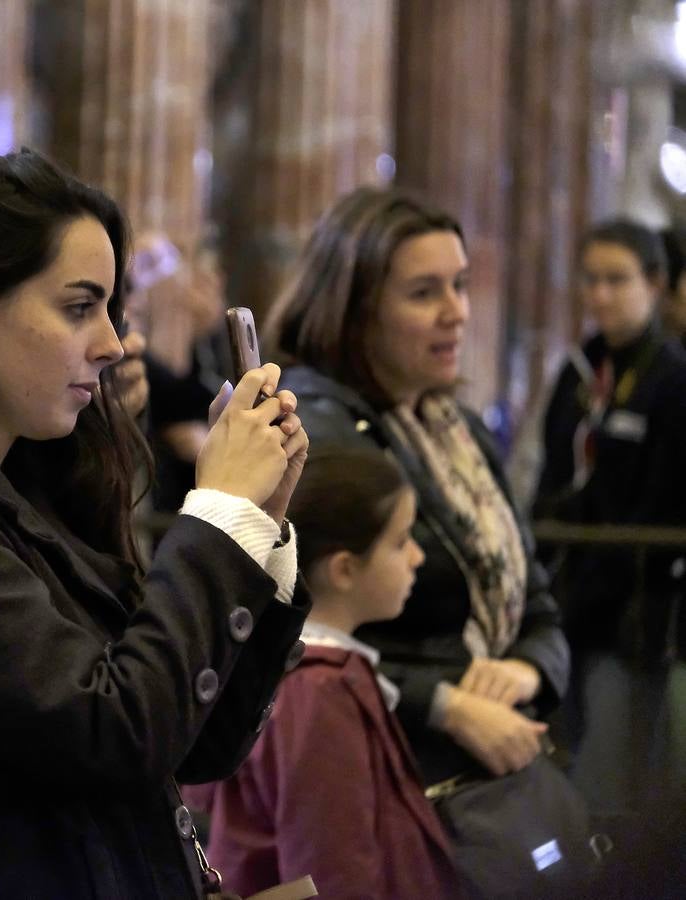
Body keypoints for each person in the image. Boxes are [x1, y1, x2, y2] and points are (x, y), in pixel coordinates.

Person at [0, 149, 310, 898]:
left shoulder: (25, 474)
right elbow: (114, 733)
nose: (109, 342)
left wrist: (258, 523)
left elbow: (191, 741)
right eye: (78, 306)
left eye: (111, 307)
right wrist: (220, 517)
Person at [266, 187, 570, 789]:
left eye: (458, 284)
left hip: (490, 756)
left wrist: (525, 671)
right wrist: (445, 703)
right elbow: (293, 640)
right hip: (379, 770)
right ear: (355, 310)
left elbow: (537, 604)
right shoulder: (312, 434)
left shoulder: (459, 431)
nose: (457, 311)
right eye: (424, 293)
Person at [198, 447, 461, 899]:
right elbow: (334, 871)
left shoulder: (316, 676)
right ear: (344, 569)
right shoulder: (318, 691)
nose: (417, 557)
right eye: (400, 542)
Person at [535, 218, 686, 815]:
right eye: (591, 280)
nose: (600, 295)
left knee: (615, 776)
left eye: (616, 280)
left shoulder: (673, 380)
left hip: (633, 606)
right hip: (560, 600)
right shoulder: (577, 374)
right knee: (558, 762)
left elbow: (663, 503)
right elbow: (552, 477)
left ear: (654, 284)